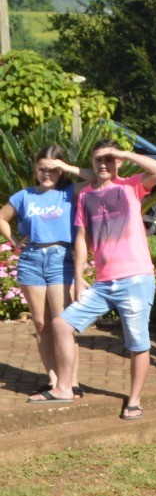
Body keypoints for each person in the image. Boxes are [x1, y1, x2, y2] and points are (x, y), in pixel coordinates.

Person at [34, 141, 156, 418]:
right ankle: (64, 388)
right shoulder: (86, 196)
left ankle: (134, 399)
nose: (104, 165)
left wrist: (125, 154)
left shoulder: (132, 186)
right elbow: (82, 238)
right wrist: (81, 275)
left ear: (118, 162)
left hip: (135, 279)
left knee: (138, 343)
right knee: (61, 325)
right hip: (103, 283)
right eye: (99, 160)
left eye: (110, 160)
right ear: (92, 163)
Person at [0, 145, 80, 395]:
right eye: (42, 169)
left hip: (60, 259)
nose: (47, 174)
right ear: (35, 170)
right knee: (41, 323)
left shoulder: (69, 193)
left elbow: (97, 178)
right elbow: (2, 217)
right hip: (31, 259)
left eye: (53, 169)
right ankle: (54, 380)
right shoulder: (24, 196)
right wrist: (13, 239)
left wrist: (67, 168)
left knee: (62, 323)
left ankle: (72, 382)